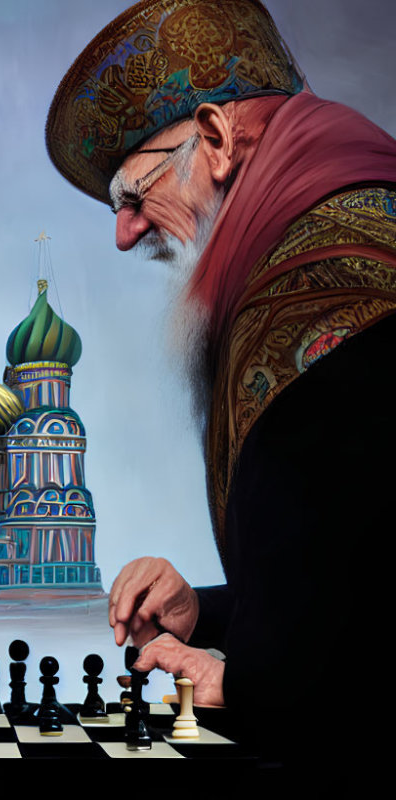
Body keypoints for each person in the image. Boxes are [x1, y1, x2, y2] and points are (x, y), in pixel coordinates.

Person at [46, 0, 396, 761]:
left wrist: (244, 684)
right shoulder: (344, 233)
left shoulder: (320, 284)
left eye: (135, 196)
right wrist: (200, 613)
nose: (124, 233)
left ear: (214, 140)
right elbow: (349, 574)